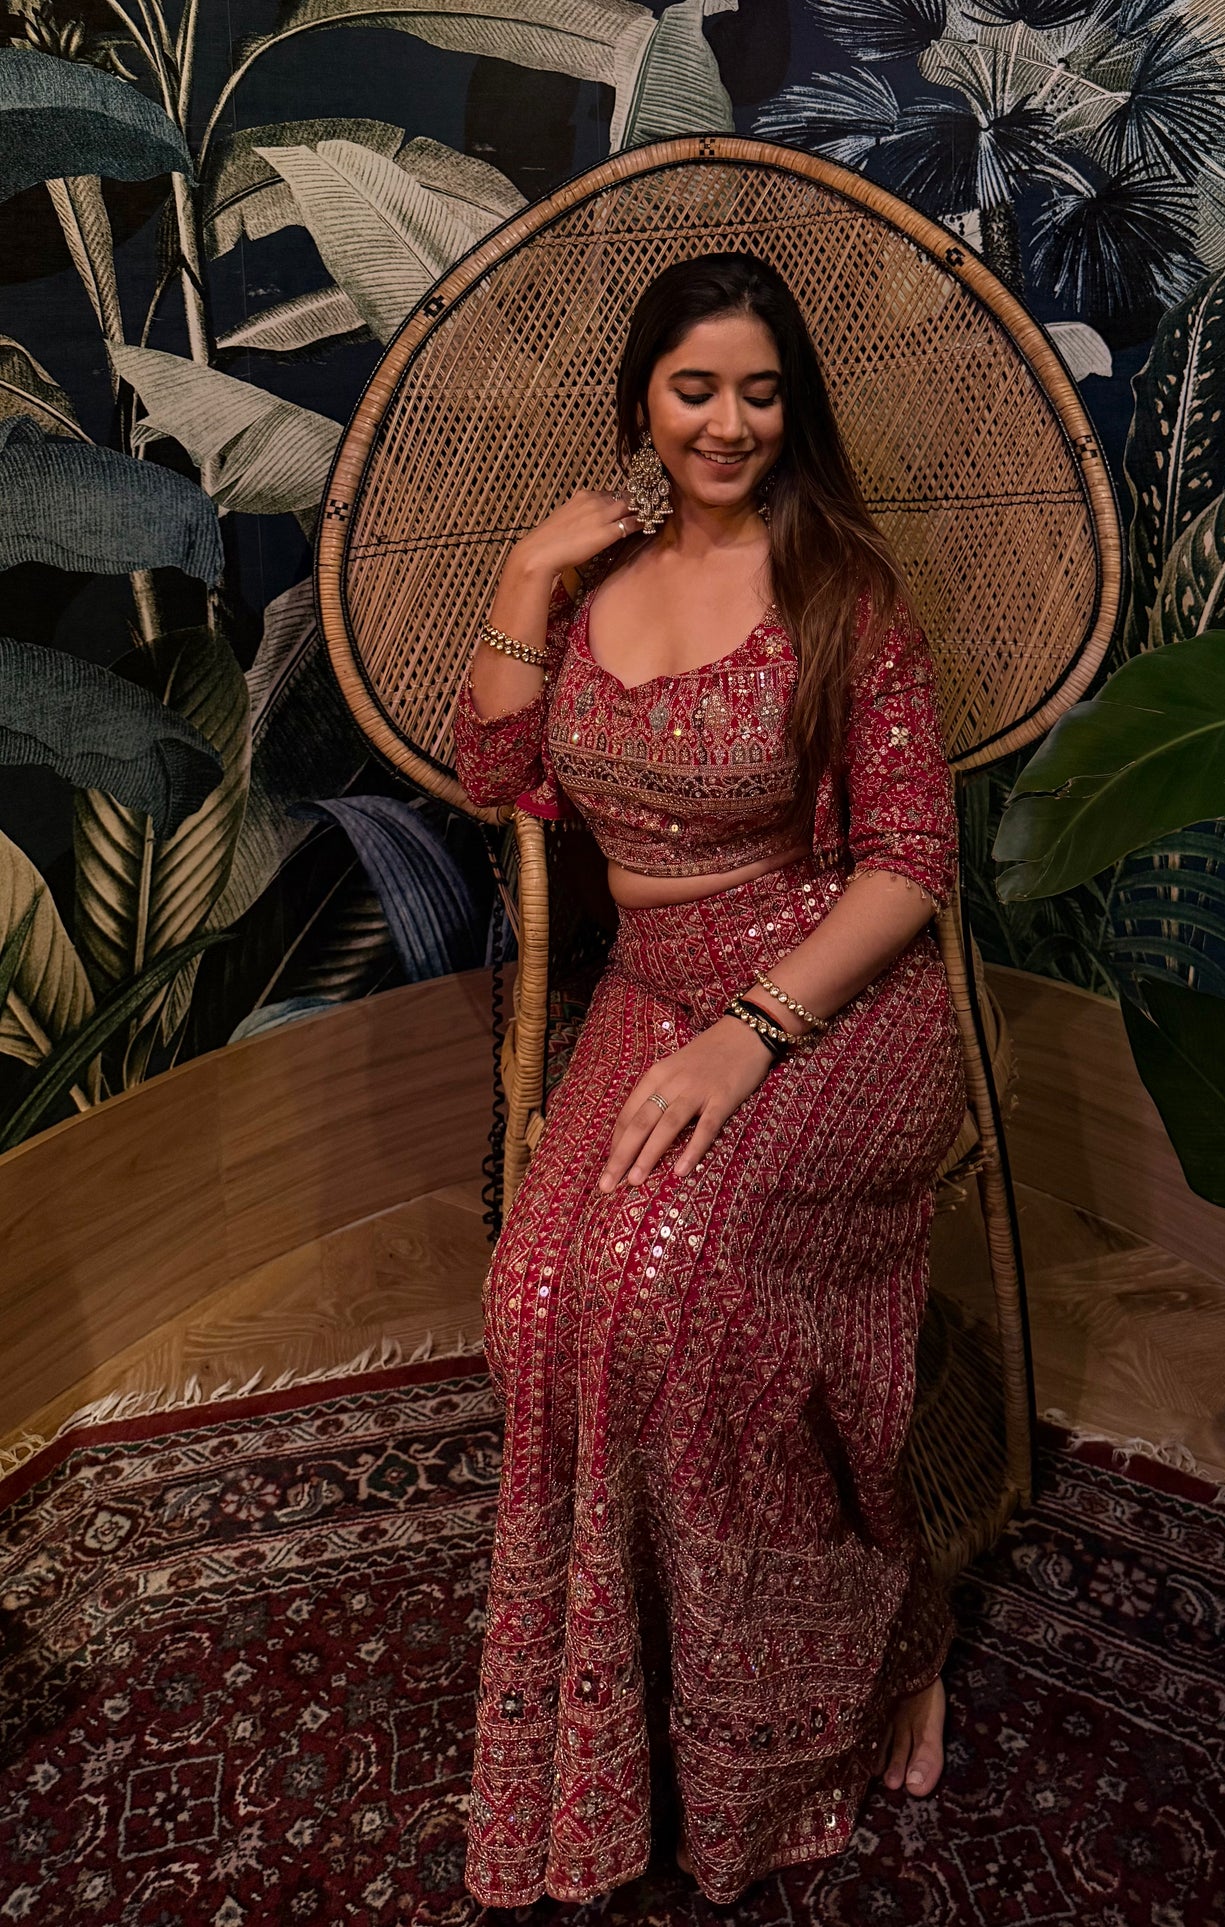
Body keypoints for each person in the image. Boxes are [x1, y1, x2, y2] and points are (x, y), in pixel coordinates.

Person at [452, 251, 966, 1911]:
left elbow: (909, 865)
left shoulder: (842, 592)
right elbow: (497, 772)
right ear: (643, 400)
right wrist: (527, 581)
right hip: (648, 992)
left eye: (758, 390)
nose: (728, 422)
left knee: (684, 1287)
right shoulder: (588, 574)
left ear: (790, 404)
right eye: (694, 389)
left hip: (831, 992)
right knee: (540, 1296)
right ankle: (626, 1720)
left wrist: (756, 1033)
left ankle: (871, 1646)